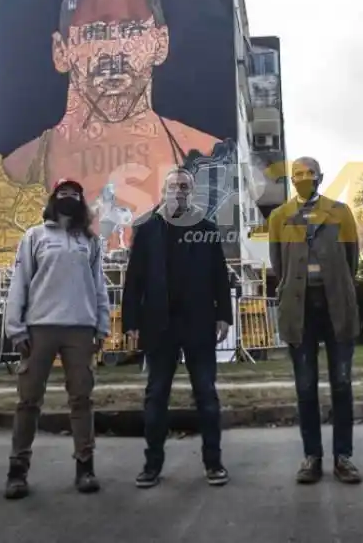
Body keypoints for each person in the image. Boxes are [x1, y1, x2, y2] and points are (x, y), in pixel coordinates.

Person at [0, 0, 228, 270]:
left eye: (132, 29)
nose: (114, 48)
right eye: (94, 32)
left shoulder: (212, 156)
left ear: (160, 43)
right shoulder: (3, 184)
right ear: (61, 50)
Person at [122, 168, 232, 488]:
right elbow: (135, 279)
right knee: (156, 395)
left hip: (198, 324)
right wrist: (131, 321)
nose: (179, 191)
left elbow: (219, 276)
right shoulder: (147, 229)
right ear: (165, 190)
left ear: (191, 192)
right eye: (174, 186)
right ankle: (151, 465)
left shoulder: (206, 228)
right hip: (158, 326)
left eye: (185, 186)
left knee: (206, 395)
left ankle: (214, 463)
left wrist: (223, 314)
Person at [2, 178, 111, 499]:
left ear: (82, 202)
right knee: (28, 401)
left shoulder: (89, 241)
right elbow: (19, 283)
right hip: (39, 329)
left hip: (80, 329)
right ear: (53, 199)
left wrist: (101, 326)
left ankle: (85, 467)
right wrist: (15, 328)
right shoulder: (34, 236)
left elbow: (99, 287)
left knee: (81, 400)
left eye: (75, 194)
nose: (69, 197)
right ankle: (17, 471)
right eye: (63, 193)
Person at [267, 157, 362, 485]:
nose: (305, 178)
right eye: (299, 174)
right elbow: (278, 266)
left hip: (336, 305)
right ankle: (312, 457)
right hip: (300, 308)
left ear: (321, 177)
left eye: (310, 173)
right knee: (305, 386)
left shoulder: (341, 212)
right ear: (291, 180)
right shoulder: (279, 217)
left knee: (342, 383)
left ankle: (343, 457)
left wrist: (338, 288)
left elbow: (353, 262)